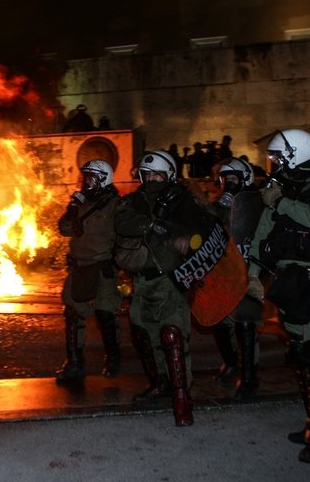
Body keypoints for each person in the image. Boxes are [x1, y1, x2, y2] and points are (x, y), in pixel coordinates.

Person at [247, 129, 310, 465]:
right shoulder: (282, 190)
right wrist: (251, 275)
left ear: (294, 156)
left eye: (276, 156)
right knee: (301, 356)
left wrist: (279, 200)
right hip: (290, 283)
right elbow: (263, 233)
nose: (272, 163)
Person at [113, 150, 205, 427]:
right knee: (144, 335)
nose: (152, 179)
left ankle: (182, 396)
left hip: (172, 278)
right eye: (148, 174)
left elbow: (204, 229)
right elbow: (122, 223)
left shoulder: (185, 200)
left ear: (170, 176)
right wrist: (152, 223)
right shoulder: (133, 201)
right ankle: (161, 383)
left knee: (172, 335)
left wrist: (184, 238)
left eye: (158, 175)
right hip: (142, 280)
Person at [54, 160, 123, 383]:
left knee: (105, 313)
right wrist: (72, 209)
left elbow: (125, 232)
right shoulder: (81, 203)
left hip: (103, 266)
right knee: (73, 313)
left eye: (91, 177)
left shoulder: (115, 204)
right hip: (80, 266)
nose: (86, 181)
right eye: (86, 177)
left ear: (103, 178)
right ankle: (74, 363)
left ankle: (113, 358)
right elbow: (64, 229)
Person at [207, 157, 263, 401]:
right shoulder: (218, 203)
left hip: (249, 268)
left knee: (245, 322)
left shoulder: (257, 202)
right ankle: (231, 361)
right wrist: (220, 207)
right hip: (226, 271)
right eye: (226, 179)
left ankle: (249, 376)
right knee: (219, 321)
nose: (229, 183)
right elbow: (208, 227)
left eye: (234, 178)